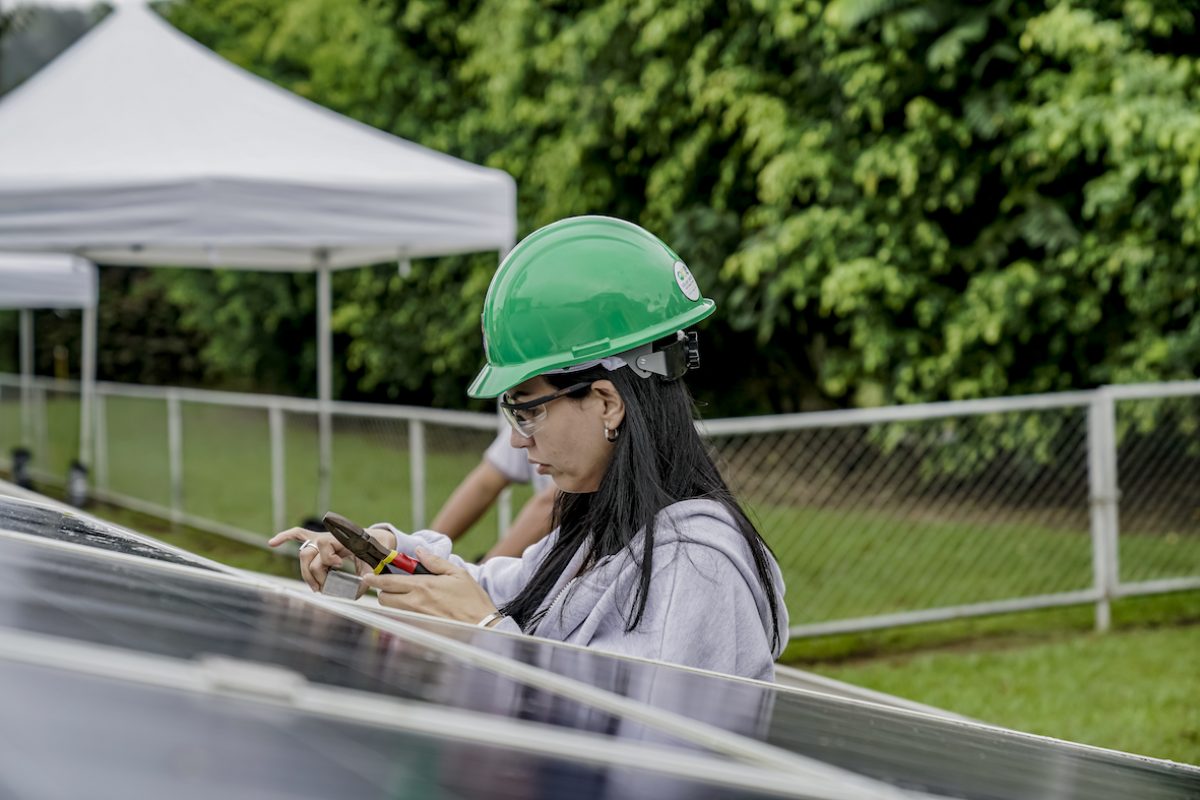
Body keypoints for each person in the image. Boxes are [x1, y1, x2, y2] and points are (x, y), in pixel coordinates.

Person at [270, 216, 788, 680]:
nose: (518, 437)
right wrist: (385, 552)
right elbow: (507, 589)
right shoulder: (601, 529)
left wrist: (487, 635)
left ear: (607, 402)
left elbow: (654, 760)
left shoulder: (700, 570)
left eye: (528, 409)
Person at [431, 422, 557, 560]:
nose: (515, 441)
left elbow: (552, 503)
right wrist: (424, 550)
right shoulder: (526, 417)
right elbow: (485, 484)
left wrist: (482, 574)